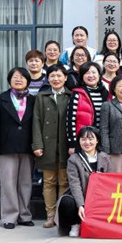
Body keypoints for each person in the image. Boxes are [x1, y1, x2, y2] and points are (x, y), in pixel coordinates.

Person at [0, 67, 36, 229]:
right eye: (15, 77)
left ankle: (24, 215)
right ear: (9, 80)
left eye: (22, 77)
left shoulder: (33, 100)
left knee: (25, 183)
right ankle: (9, 216)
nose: (18, 80)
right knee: (8, 182)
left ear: (28, 81)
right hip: (6, 146)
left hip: (27, 146)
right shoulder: (0, 99)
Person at [31, 64, 72, 228]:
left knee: (64, 181)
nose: (56, 79)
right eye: (52, 76)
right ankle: (50, 215)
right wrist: (37, 144)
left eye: (59, 76)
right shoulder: (42, 97)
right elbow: (36, 121)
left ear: (65, 78)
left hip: (65, 146)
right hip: (47, 146)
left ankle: (59, 216)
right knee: (48, 181)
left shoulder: (71, 96)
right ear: (48, 79)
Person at [56, 126, 110, 237]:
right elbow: (74, 184)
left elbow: (109, 181)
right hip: (80, 195)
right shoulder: (73, 159)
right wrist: (80, 205)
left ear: (97, 140)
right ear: (79, 141)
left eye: (91, 139)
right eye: (83, 139)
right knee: (66, 202)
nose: (87, 142)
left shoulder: (105, 158)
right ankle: (75, 223)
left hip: (98, 197)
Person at [65, 62, 108, 154]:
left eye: (94, 72)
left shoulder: (105, 93)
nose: (91, 75)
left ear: (99, 75)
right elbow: (70, 120)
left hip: (101, 140)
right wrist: (72, 144)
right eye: (87, 73)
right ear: (82, 76)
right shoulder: (77, 94)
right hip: (83, 140)